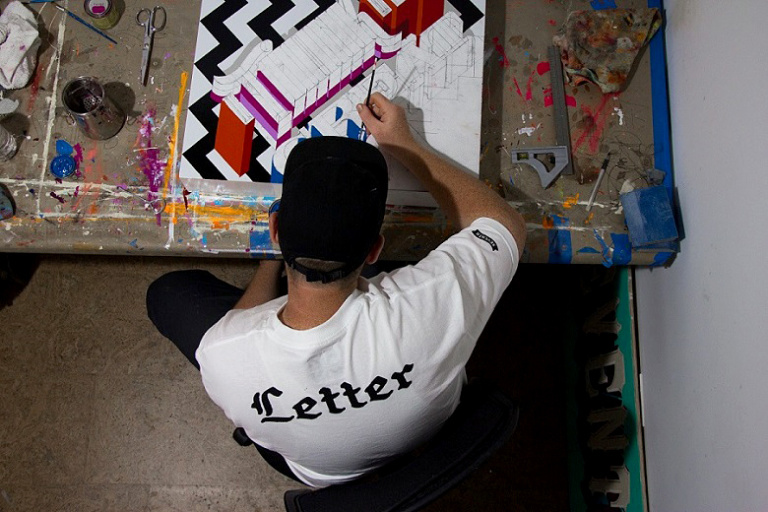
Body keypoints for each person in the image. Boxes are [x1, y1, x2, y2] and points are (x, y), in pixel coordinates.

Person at [146, 92, 527, 488]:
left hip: (323, 472)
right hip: (429, 431)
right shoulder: (427, 309)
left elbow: (239, 327)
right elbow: (504, 225)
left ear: (275, 231)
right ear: (375, 250)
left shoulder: (224, 355)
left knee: (166, 294)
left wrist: (272, 261)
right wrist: (405, 145)